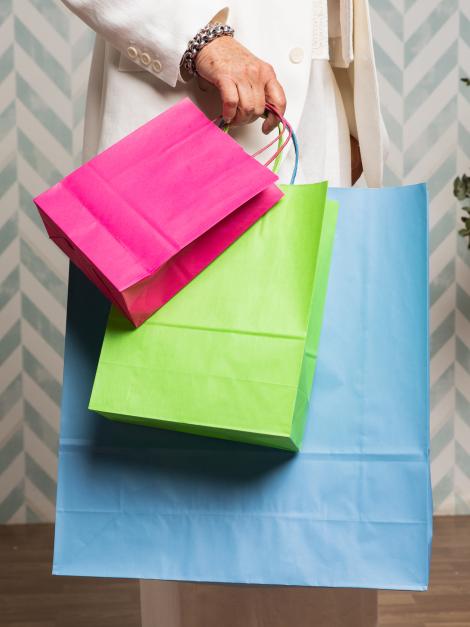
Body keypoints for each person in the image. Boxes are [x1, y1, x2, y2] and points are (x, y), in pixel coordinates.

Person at [60, 1, 388, 625]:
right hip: (200, 79)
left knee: (319, 463)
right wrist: (199, 39)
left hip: (311, 99)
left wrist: (337, 85)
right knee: (185, 465)